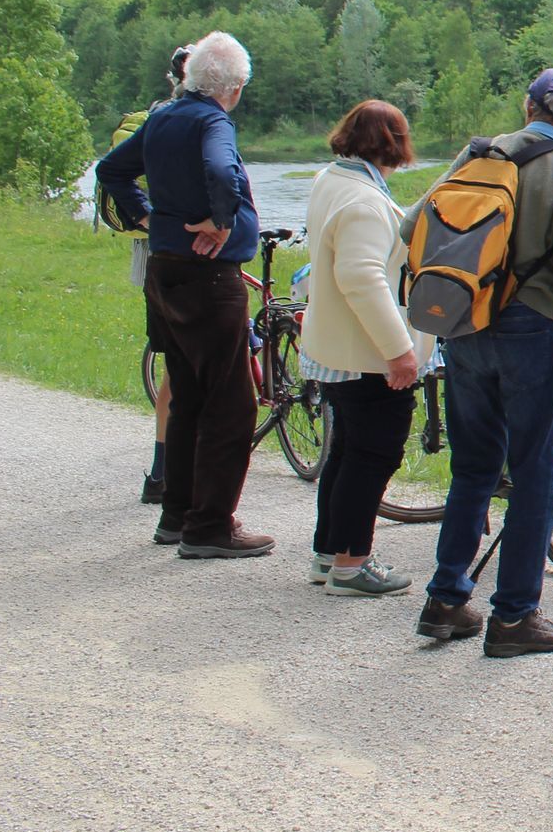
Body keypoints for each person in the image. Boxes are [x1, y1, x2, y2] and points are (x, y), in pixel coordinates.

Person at [406, 69, 553, 657]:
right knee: (536, 473)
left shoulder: (476, 156)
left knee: (473, 468)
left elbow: (408, 224)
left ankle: (446, 600)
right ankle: (515, 616)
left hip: (464, 326)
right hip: (530, 328)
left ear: (526, 108)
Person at [94, 31, 272, 559]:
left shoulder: (164, 116)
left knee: (190, 394)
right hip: (208, 276)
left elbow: (111, 170)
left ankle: (177, 514)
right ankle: (210, 526)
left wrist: (146, 216)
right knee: (232, 403)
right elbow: (220, 169)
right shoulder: (212, 120)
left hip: (164, 268)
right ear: (233, 87)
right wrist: (221, 219)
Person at [299, 101, 431, 596]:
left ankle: (328, 554)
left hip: (338, 350)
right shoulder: (364, 202)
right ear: (395, 144)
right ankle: (352, 564)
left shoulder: (330, 180)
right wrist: (400, 352)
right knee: (373, 455)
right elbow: (361, 278)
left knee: (347, 452)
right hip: (368, 355)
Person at [98, 43, 190, 505]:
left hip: (154, 248)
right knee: (181, 363)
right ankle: (167, 473)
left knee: (177, 361)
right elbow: (115, 171)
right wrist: (152, 218)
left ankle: (163, 472)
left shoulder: (163, 114)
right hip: (169, 252)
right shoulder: (176, 119)